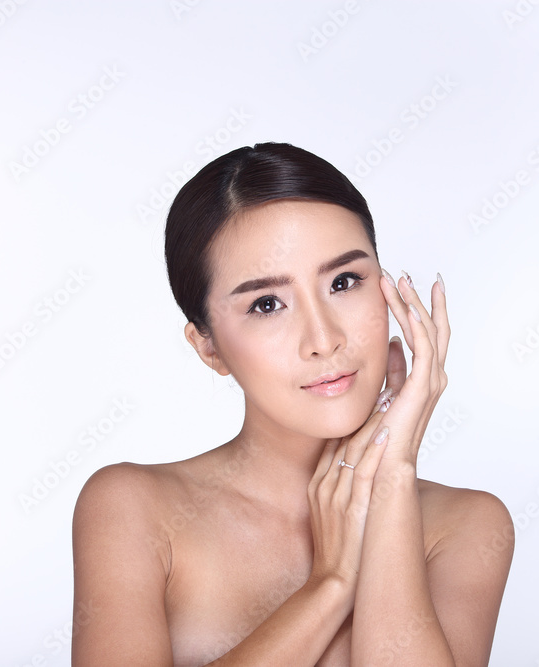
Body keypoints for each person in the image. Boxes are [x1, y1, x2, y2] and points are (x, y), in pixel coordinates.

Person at [71, 142, 514, 666]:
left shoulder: (466, 525)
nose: (323, 339)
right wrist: (331, 583)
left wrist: (390, 480)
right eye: (267, 304)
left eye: (344, 282)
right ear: (209, 347)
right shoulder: (133, 509)